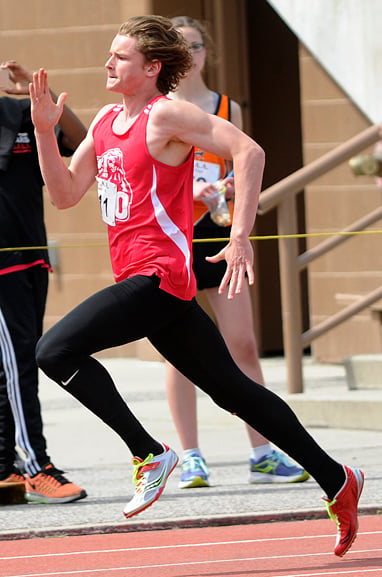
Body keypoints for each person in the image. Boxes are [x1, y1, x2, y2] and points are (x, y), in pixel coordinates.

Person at [30, 15, 363, 557]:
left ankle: (148, 453)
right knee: (234, 392)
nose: (108, 64)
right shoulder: (108, 122)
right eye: (110, 54)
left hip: (159, 276)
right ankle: (337, 480)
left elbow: (248, 151)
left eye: (120, 57)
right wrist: (46, 132)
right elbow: (64, 193)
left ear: (152, 67)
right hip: (142, 281)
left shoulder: (167, 116)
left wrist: (240, 235)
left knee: (54, 349)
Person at [166, 15, 309, 489]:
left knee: (242, 343)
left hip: (221, 234)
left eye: (196, 45)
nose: (189, 54)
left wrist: (228, 188)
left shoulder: (226, 105)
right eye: (178, 46)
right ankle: (190, 456)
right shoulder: (160, 108)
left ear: (207, 51)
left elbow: (244, 160)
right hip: (175, 237)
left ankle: (263, 452)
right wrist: (191, 194)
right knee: (178, 352)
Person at [0, 61, 87, 504]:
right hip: (1, 269)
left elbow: (79, 139)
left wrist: (35, 96)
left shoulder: (19, 114)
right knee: (18, 367)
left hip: (32, 260)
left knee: (17, 365)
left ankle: (14, 465)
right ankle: (36, 465)